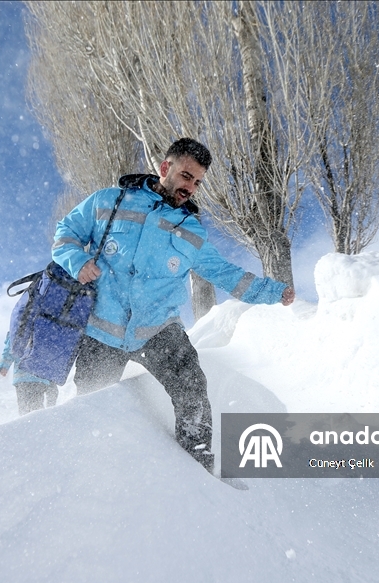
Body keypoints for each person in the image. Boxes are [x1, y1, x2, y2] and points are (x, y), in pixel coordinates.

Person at [52, 138, 294, 472]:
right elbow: (65, 233)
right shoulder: (109, 201)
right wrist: (78, 262)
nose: (190, 188)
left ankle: (199, 468)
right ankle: (93, 475)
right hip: (102, 331)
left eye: (197, 182)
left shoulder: (191, 231)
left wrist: (272, 292)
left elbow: (226, 274)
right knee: (91, 408)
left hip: (158, 331)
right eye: (186, 176)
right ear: (165, 168)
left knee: (192, 389)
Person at [0, 331, 59, 415]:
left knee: (24, 408)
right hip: (38, 378)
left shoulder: (18, 330)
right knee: (36, 407)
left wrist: (4, 365)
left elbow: (10, 349)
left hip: (23, 378)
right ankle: (38, 420)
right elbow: (52, 352)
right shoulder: (44, 330)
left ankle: (29, 420)